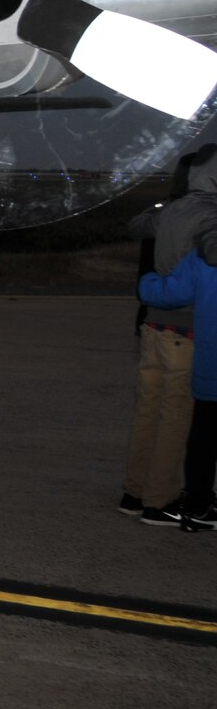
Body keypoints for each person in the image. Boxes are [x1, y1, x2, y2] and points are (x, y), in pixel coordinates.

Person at [119, 147, 215, 526]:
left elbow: (136, 225)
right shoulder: (211, 215)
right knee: (176, 418)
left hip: (154, 328)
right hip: (187, 330)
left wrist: (165, 207)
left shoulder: (174, 210)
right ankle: (160, 502)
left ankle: (134, 492)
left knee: (148, 412)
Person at [139, 228, 217, 532]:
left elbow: (172, 293)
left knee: (204, 435)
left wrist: (146, 282)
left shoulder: (206, 250)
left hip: (211, 362)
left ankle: (197, 503)